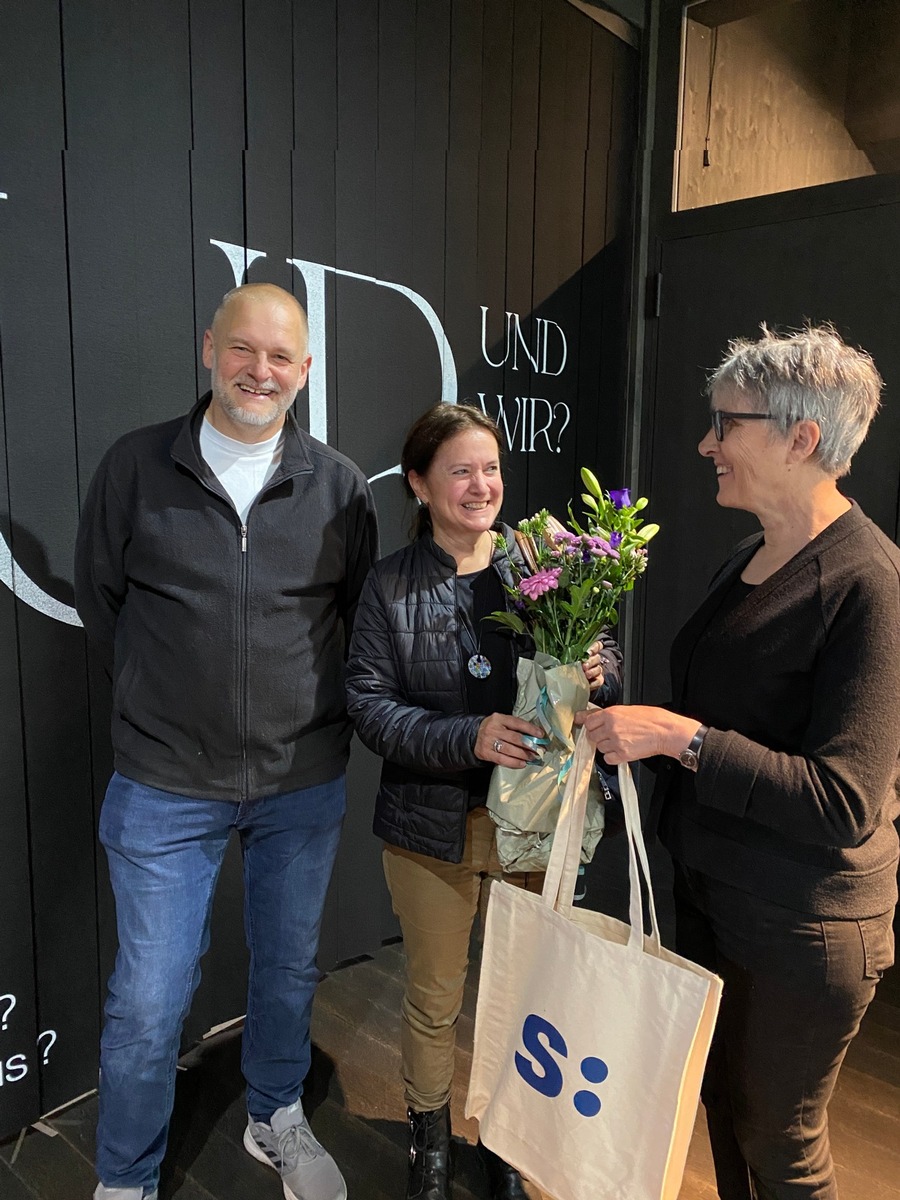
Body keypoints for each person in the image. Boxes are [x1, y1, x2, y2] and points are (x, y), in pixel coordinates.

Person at [578, 325, 899, 1200]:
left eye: (727, 423)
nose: (706, 444)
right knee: (726, 1113)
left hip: (804, 923)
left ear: (801, 439)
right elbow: (719, 721)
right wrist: (614, 703)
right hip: (719, 892)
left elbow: (845, 800)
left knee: (782, 1145)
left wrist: (676, 738)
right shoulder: (751, 555)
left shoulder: (869, 582)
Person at [75, 282, 378, 1200]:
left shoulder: (338, 486)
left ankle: (273, 1115)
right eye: (244, 349)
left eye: (281, 356)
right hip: (165, 782)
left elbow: (353, 617)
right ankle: (124, 1178)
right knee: (147, 1001)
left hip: (302, 779)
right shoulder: (136, 467)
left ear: (306, 370)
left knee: (288, 968)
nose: (261, 370)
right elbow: (103, 600)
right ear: (210, 348)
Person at [345, 403, 623, 1200]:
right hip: (429, 826)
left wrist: (600, 668)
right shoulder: (390, 584)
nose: (481, 485)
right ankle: (429, 1146)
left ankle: (503, 1136)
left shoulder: (545, 562)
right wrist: (465, 737)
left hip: (531, 824)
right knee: (435, 999)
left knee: (518, 992)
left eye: (491, 469)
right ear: (420, 484)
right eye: (461, 470)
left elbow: (599, 666)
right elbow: (368, 704)